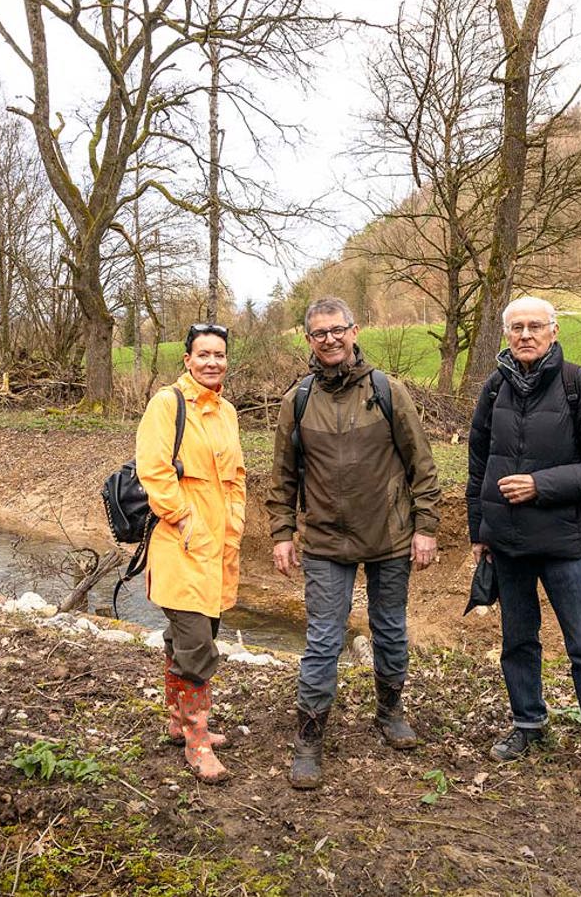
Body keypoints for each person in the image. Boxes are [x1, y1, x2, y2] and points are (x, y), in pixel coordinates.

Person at [267, 297, 442, 790]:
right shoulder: (297, 400)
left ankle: (390, 712)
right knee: (323, 640)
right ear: (308, 339)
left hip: (389, 537)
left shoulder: (387, 390)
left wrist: (426, 527)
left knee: (389, 630)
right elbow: (281, 478)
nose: (329, 339)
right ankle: (309, 739)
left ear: (354, 330)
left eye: (337, 330)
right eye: (319, 333)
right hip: (324, 541)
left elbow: (422, 466)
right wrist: (282, 533)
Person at [465, 296, 581, 796]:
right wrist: (479, 532)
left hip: (565, 544)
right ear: (507, 335)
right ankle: (528, 723)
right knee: (517, 641)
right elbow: (477, 466)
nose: (526, 335)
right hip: (508, 544)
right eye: (517, 328)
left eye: (536, 326)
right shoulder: (495, 390)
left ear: (554, 332)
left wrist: (540, 485)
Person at [136, 323, 246, 784]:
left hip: (218, 551)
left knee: (189, 638)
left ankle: (177, 722)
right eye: (203, 354)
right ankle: (197, 742)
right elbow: (154, 470)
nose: (212, 362)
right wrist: (184, 519)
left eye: (219, 354)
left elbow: (236, 476)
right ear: (187, 359)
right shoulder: (167, 404)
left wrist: (234, 525)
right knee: (198, 644)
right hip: (181, 548)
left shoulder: (227, 412)